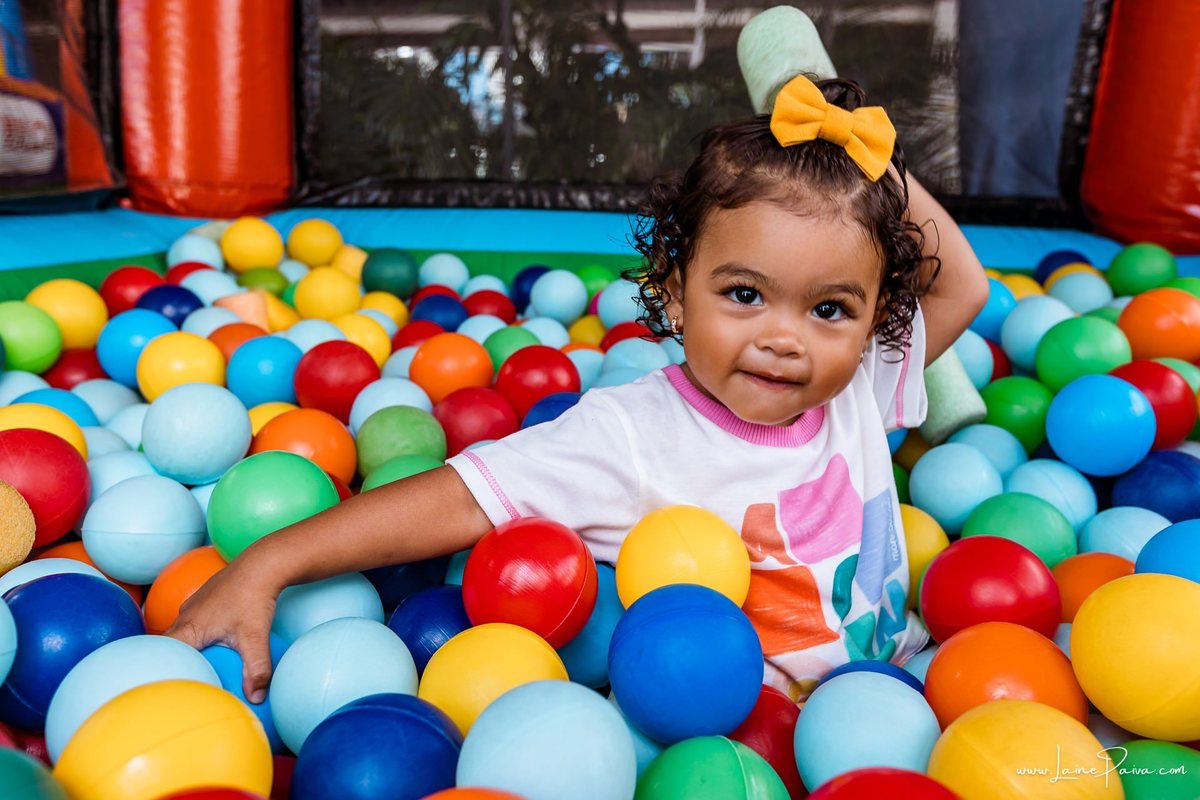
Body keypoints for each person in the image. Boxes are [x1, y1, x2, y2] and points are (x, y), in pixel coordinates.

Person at [169, 74, 988, 705]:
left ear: (876, 315)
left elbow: (964, 288)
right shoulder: (628, 434)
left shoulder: (855, 382)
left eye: (829, 307)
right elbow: (458, 498)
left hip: (903, 685)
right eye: (744, 294)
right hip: (745, 738)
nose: (784, 336)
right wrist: (270, 563)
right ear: (672, 292)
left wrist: (863, 159)